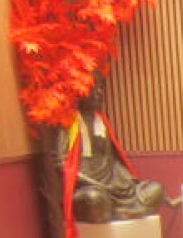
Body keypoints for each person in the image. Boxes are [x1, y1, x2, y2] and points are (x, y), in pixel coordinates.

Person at [56, 79, 164, 227]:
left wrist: (127, 181)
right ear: (79, 93)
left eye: (101, 89)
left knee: (156, 189)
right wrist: (95, 184)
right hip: (89, 187)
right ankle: (120, 210)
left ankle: (123, 211)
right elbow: (62, 165)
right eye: (94, 90)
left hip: (114, 184)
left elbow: (113, 159)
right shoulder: (69, 123)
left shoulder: (101, 121)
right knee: (94, 199)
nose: (99, 94)